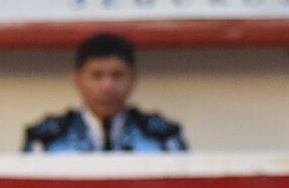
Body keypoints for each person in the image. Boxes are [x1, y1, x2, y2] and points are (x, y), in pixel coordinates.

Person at [24, 32, 187, 153]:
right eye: (97, 76)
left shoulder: (163, 137)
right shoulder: (47, 139)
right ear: (78, 81)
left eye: (117, 75)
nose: (107, 86)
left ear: (133, 79)